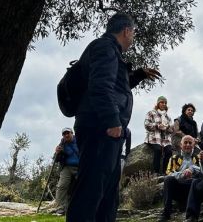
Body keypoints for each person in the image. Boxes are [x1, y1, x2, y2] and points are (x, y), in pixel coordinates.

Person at [68, 12, 161, 222]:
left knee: (108, 194)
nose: (133, 38)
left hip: (104, 130)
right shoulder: (104, 47)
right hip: (99, 128)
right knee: (91, 190)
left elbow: (117, 85)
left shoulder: (110, 51)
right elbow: (100, 86)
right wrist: (112, 121)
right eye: (134, 33)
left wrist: (138, 75)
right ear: (127, 30)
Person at [158, 135, 201, 222]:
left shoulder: (198, 157)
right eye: (185, 142)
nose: (188, 145)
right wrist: (182, 175)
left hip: (192, 188)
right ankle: (166, 214)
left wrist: (192, 170)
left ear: (193, 145)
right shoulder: (174, 158)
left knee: (195, 181)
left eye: (190, 143)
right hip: (179, 186)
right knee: (168, 180)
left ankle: (192, 215)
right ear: (181, 145)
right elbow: (168, 172)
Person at [144, 96, 175, 174]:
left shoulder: (168, 117)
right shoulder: (151, 113)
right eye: (162, 102)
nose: (164, 104)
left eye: (165, 103)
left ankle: (165, 172)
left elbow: (172, 130)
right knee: (158, 150)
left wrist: (167, 127)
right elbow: (146, 125)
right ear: (158, 103)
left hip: (166, 139)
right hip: (154, 137)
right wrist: (157, 126)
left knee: (169, 152)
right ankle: (156, 172)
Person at [54, 127, 79, 215]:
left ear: (72, 133)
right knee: (61, 186)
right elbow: (56, 160)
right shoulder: (62, 144)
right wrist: (57, 152)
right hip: (67, 167)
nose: (66, 135)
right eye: (64, 134)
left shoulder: (80, 140)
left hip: (81, 167)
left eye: (68, 133)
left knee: (83, 186)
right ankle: (60, 208)